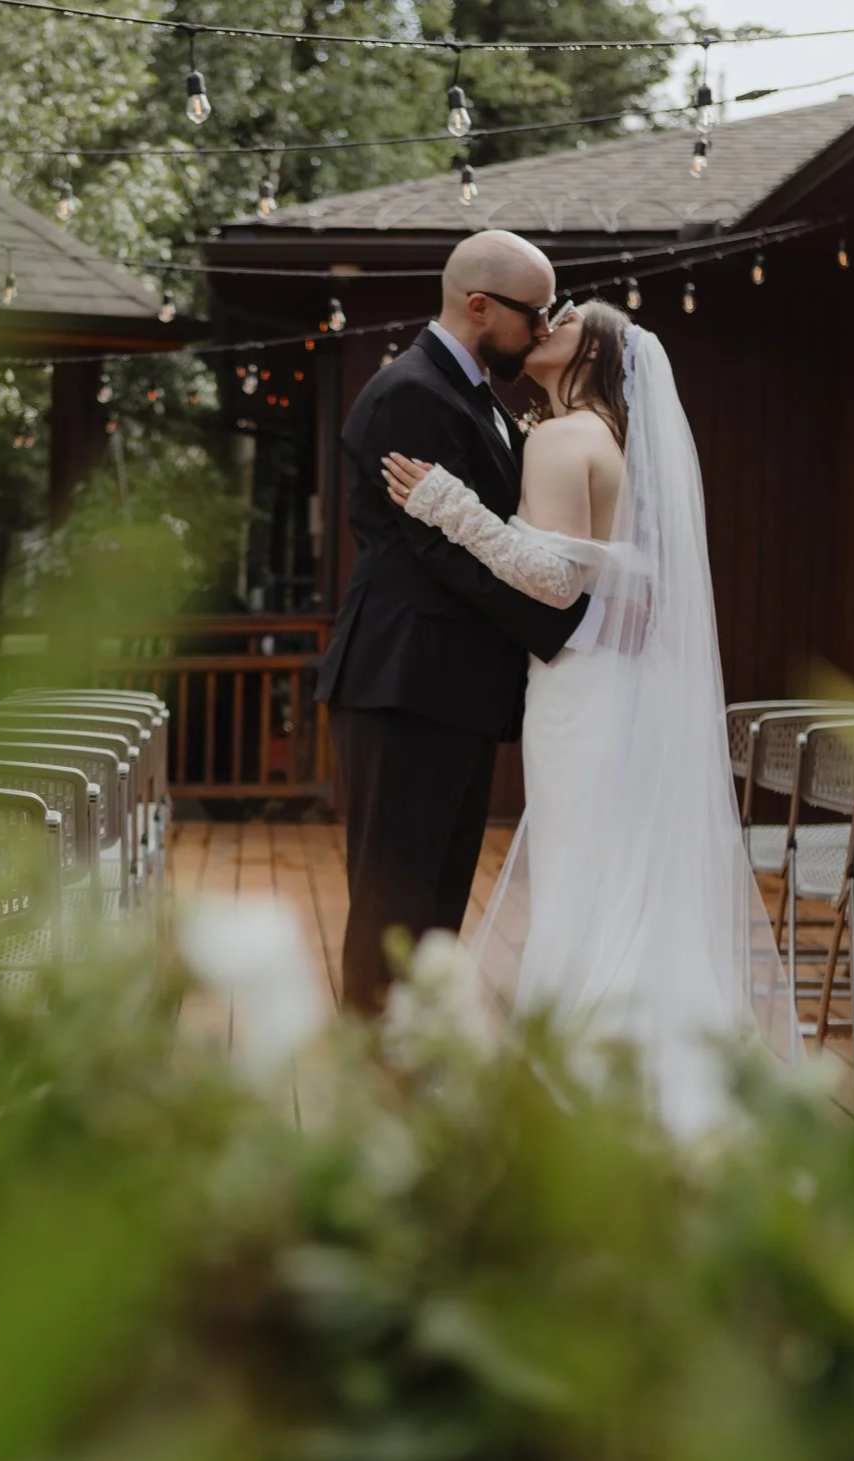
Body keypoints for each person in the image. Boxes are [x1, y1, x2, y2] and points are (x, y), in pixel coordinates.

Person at [382, 301, 800, 1135]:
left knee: (586, 877)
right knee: (624, 876)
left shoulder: (560, 436)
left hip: (584, 693)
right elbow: (622, 574)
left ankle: (588, 1092)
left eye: (569, 319)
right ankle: (648, 1073)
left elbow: (551, 578)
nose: (549, 320)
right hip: (625, 690)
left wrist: (448, 505)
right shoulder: (613, 440)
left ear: (600, 350)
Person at [317, 231, 607, 1014]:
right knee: (394, 903)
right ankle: (373, 1077)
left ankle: (416, 1066)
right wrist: (567, 628)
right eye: (533, 313)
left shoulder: (479, 393)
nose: (543, 329)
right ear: (479, 306)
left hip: (453, 688)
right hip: (406, 683)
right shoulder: (411, 393)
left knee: (436, 904)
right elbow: (441, 550)